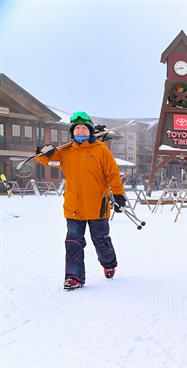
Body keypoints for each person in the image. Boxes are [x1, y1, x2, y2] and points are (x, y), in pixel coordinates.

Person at [36, 111, 127, 290]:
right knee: (73, 242)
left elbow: (113, 174)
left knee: (101, 239)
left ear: (90, 131)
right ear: (72, 132)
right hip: (74, 206)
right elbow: (45, 160)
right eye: (77, 128)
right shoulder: (65, 152)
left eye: (84, 128)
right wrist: (43, 151)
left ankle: (109, 263)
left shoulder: (101, 150)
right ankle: (74, 277)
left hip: (97, 205)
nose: (80, 130)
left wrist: (118, 194)